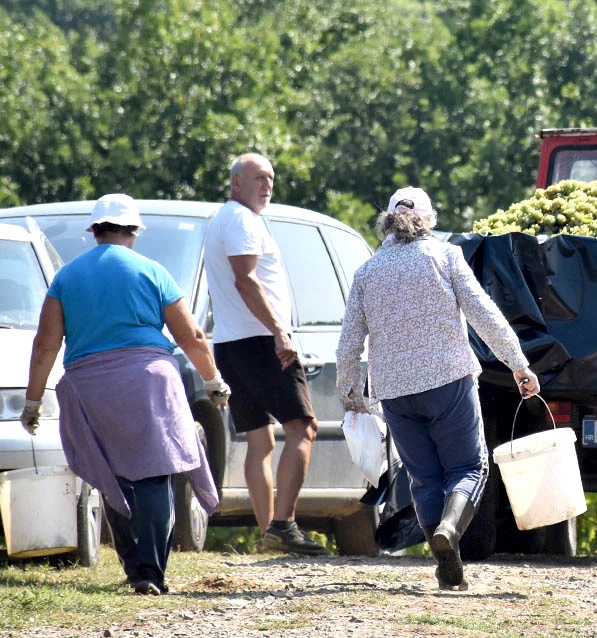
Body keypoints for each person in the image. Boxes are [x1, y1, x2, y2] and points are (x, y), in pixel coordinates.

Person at [20, 193, 230, 596]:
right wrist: (213, 381)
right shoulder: (153, 271)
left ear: (94, 231)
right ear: (134, 231)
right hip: (150, 381)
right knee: (155, 474)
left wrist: (32, 402)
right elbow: (192, 336)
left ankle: (136, 570)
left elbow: (45, 344)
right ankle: (152, 572)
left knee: (113, 475)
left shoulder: (66, 277)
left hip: (92, 387)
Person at [336, 186, 541, 591]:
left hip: (394, 390)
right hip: (448, 380)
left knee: (424, 477)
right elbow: (484, 312)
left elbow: (348, 342)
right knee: (468, 467)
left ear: (387, 223)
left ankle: (447, 559)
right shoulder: (445, 256)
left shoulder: (367, 272)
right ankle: (450, 526)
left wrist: (350, 394)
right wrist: (518, 363)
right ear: (429, 220)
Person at [204, 152, 325, 556]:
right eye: (258, 178)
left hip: (231, 343)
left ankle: (270, 534)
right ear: (235, 182)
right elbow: (245, 280)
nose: (266, 185)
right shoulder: (241, 220)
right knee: (303, 429)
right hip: (258, 341)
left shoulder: (222, 218)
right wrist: (279, 331)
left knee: (261, 443)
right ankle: (284, 525)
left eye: (270, 178)